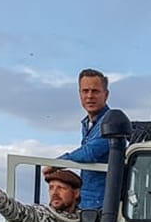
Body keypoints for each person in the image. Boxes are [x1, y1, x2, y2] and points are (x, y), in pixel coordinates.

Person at [44, 68, 111, 210]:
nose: (89, 96)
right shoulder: (88, 124)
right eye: (85, 91)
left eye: (95, 91)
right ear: (79, 94)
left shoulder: (110, 122)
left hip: (102, 205)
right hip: (87, 202)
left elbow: (90, 153)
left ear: (106, 95)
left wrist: (58, 163)